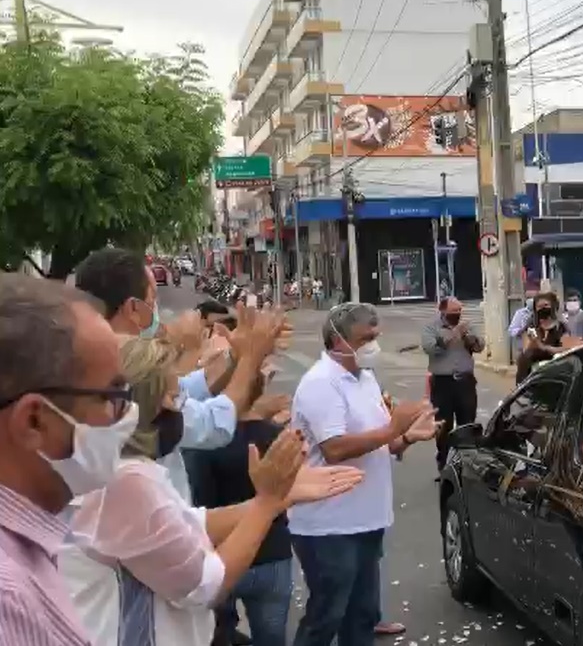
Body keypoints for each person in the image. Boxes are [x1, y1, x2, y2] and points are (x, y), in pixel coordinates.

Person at [59, 333, 364, 646]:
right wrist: (267, 505)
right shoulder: (123, 482)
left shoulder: (115, 470)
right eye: (175, 398)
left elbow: (184, 524)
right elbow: (205, 586)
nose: (181, 410)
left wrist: (272, 498)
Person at [290, 302, 441, 646]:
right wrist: (393, 429)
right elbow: (335, 448)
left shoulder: (365, 378)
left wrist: (405, 438)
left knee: (362, 617)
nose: (374, 344)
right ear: (337, 339)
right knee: (327, 616)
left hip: (367, 518)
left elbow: (378, 443)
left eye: (376, 336)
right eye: (365, 338)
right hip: (329, 525)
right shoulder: (320, 383)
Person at [74, 248, 268, 501]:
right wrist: (251, 356)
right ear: (133, 308)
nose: (157, 309)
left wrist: (235, 357)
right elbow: (211, 424)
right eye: (153, 300)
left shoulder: (84, 359)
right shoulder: (124, 372)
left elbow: (186, 391)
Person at [0, 274, 131, 644]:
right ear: (34, 421)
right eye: (110, 396)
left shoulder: (29, 547)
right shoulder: (9, 600)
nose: (123, 416)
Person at [193, 375, 295, 646]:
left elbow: (200, 502)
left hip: (224, 554)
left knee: (219, 635)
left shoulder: (204, 444)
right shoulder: (276, 437)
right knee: (272, 637)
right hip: (273, 554)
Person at [421, 298, 484, 476]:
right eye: (453, 312)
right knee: (443, 425)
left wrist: (468, 337)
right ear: (442, 311)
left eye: (459, 311)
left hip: (465, 381)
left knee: (467, 424)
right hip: (442, 382)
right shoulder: (431, 327)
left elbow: (480, 346)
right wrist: (454, 333)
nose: (457, 315)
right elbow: (431, 349)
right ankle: (443, 463)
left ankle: (466, 465)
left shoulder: (466, 326)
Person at [516, 292, 569, 383]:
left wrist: (546, 348)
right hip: (531, 373)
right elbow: (526, 350)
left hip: (555, 368)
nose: (543, 309)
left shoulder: (561, 327)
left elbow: (566, 349)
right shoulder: (531, 326)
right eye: (539, 307)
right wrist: (534, 342)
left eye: (546, 305)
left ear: (553, 306)